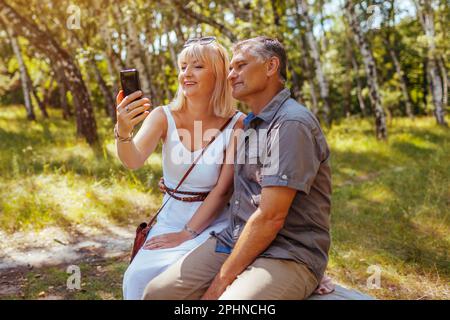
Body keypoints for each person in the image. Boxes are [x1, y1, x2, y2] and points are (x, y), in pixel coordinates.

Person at [142, 36, 332, 300]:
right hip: (234, 239)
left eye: (240, 66)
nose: (231, 75)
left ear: (270, 66)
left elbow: (270, 218)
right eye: (230, 68)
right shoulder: (250, 124)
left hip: (287, 252)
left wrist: (219, 285)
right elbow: (231, 187)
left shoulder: (290, 124)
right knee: (157, 294)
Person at [115, 36, 245, 300]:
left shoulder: (237, 123)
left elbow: (222, 191)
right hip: (170, 217)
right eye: (183, 66)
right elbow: (133, 161)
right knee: (137, 278)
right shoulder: (163, 116)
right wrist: (124, 131)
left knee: (181, 281)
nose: (186, 73)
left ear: (218, 74)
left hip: (213, 222)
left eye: (197, 66)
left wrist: (186, 234)